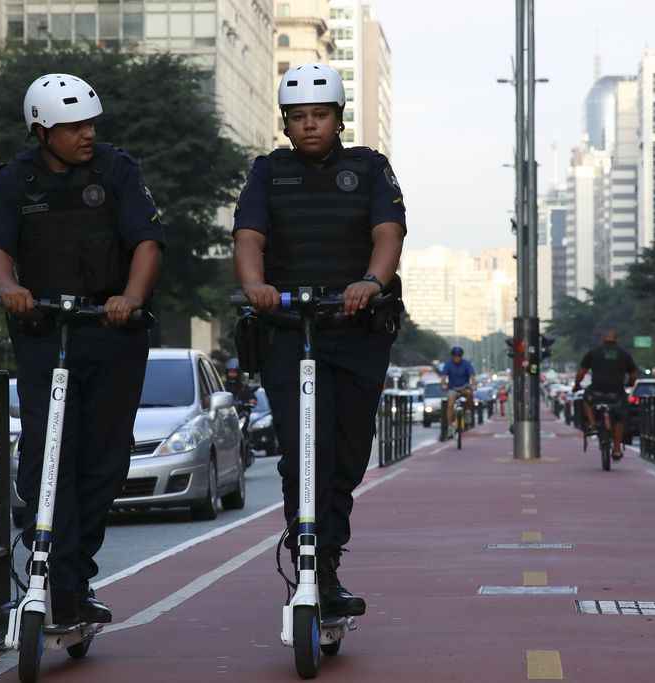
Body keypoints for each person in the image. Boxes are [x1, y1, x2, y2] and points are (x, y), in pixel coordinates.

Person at [0, 74, 164, 626]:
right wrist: (9, 289)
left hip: (111, 331)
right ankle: (47, 574)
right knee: (45, 454)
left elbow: (148, 244)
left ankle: (75, 574)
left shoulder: (117, 169)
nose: (87, 134)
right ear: (42, 132)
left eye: (91, 124)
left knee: (104, 461)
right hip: (44, 332)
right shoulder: (16, 178)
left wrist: (129, 298)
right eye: (73, 127)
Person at [232, 63, 406, 619]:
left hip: (355, 330)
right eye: (298, 117)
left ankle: (328, 550)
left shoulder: (370, 168)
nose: (309, 126)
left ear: (338, 118)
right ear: (285, 124)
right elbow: (249, 236)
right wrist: (255, 286)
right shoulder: (268, 172)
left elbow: (388, 232)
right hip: (289, 331)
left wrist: (371, 282)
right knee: (304, 454)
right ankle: (315, 566)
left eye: (320, 116)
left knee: (347, 455)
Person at [573, 329, 638, 460]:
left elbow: (581, 372)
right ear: (616, 339)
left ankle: (591, 423)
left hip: (597, 390)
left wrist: (576, 384)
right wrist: (630, 383)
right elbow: (633, 374)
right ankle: (617, 448)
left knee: (586, 399)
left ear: (603, 339)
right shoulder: (624, 354)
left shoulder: (594, 352)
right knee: (620, 417)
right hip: (616, 392)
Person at [441, 347, 476, 432]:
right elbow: (444, 377)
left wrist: (473, 385)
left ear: (461, 356)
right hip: (453, 388)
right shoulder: (448, 364)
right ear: (452, 356)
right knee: (450, 405)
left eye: (459, 356)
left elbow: (472, 376)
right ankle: (450, 425)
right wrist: (443, 384)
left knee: (470, 394)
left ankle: (468, 412)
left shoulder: (466, 364)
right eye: (455, 356)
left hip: (464, 387)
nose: (457, 358)